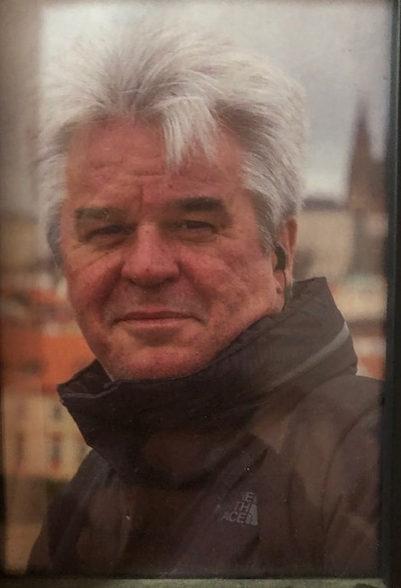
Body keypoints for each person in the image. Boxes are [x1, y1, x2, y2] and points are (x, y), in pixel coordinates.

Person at [29, 22, 380, 578]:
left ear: (280, 256)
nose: (147, 266)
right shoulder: (85, 501)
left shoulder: (368, 460)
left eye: (194, 225)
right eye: (106, 230)